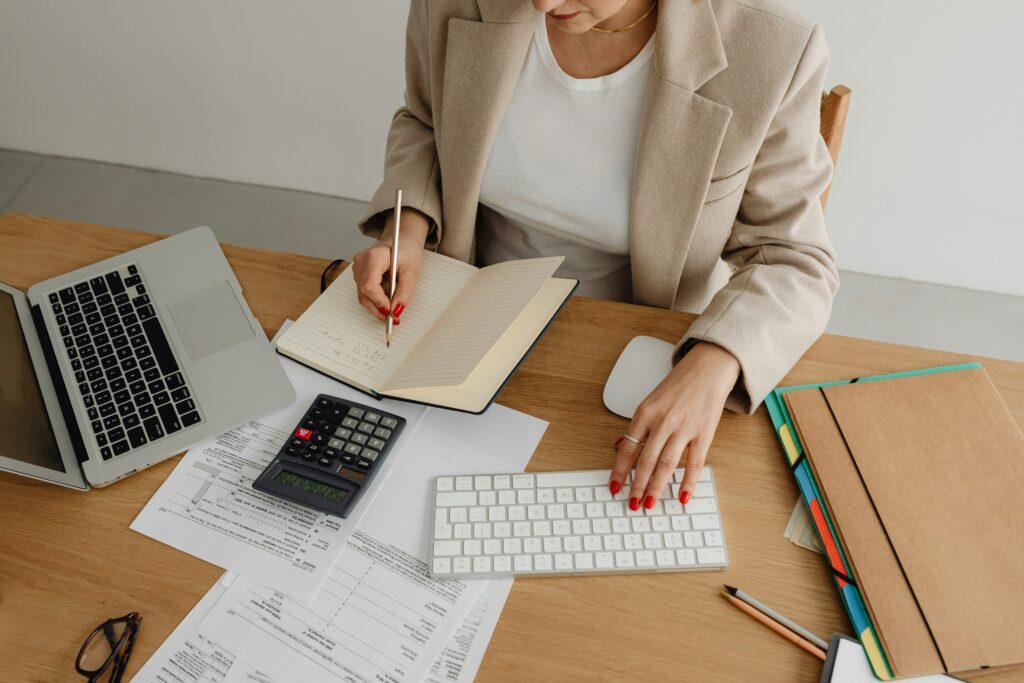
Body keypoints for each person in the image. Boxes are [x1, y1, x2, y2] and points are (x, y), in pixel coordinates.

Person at [350, 0, 837, 511]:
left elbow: (794, 257)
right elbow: (424, 121)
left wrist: (714, 364)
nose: (543, 3)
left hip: (638, 348)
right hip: (469, 318)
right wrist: (405, 227)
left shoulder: (773, 50)